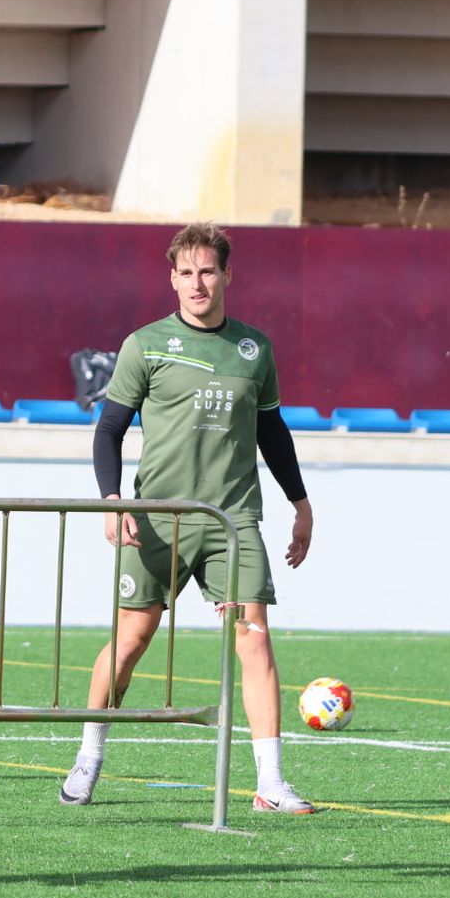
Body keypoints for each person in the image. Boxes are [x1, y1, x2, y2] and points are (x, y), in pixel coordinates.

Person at [60, 222, 316, 814]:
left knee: (255, 642)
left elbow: (273, 432)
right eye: (186, 272)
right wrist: (111, 499)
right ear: (171, 278)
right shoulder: (144, 344)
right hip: (156, 520)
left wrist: (299, 502)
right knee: (130, 644)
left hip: (232, 521)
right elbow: (109, 430)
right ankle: (89, 755)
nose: (197, 283)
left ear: (228, 275)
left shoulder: (255, 349)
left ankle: (270, 784)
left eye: (208, 271)